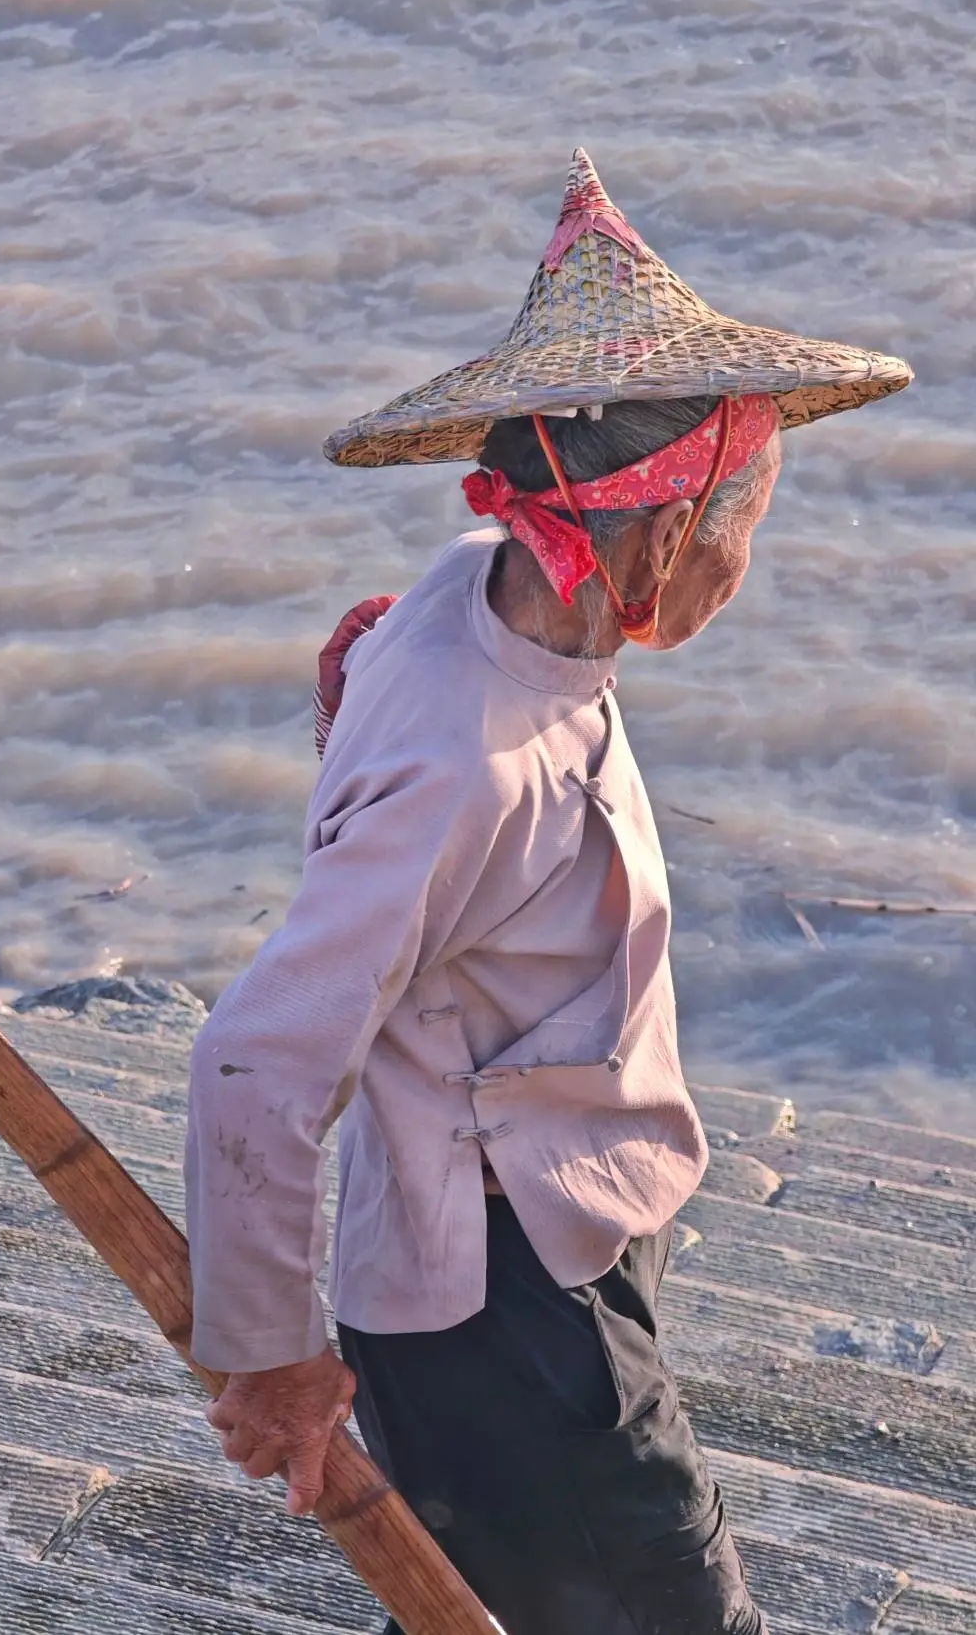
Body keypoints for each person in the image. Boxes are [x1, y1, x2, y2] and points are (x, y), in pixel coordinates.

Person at [185, 150, 912, 1635]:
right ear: (652, 536)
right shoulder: (469, 758)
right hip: (505, 1308)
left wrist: (365, 686)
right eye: (741, 523)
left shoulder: (483, 585)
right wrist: (265, 1359)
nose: (742, 561)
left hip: (564, 1214)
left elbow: (390, 656)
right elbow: (255, 1061)